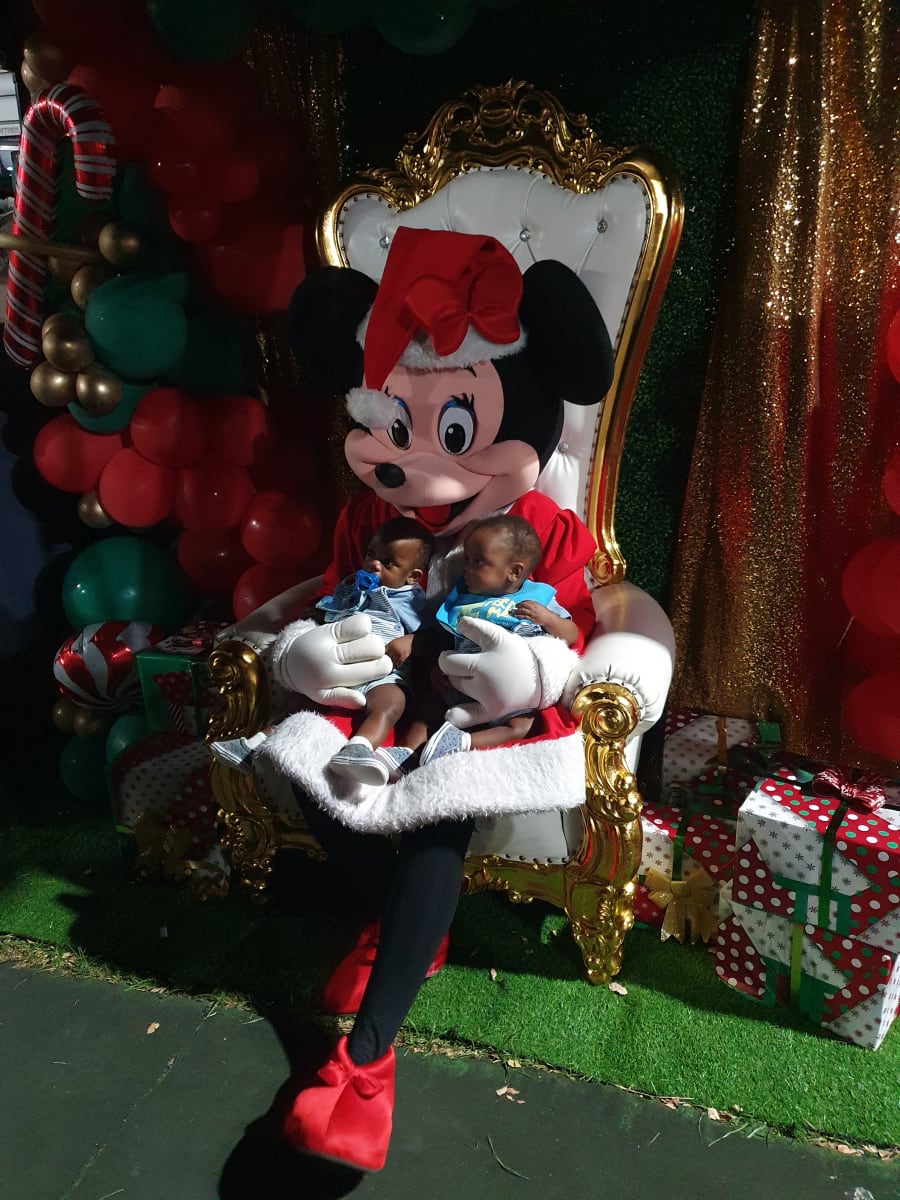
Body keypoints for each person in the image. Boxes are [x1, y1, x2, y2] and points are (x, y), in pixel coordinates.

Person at [251, 227, 617, 1173]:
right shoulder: (370, 516)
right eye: (393, 424)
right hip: (380, 690)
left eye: (451, 431)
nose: (412, 465)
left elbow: (577, 625)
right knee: (313, 774)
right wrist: (307, 655)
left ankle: (367, 1062)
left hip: (473, 707)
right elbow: (333, 593)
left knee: (435, 815)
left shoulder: (544, 527)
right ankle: (402, 929)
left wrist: (532, 673)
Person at [209, 515, 434, 785]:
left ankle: (360, 748)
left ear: (412, 576)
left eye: (388, 562)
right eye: (371, 554)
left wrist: (411, 641)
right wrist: (319, 613)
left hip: (384, 672)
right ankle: (253, 745)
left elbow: (432, 635)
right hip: (340, 667)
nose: (374, 563)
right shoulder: (352, 588)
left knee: (392, 703)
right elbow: (331, 609)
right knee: (302, 703)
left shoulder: (412, 601)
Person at [407, 511, 580, 766]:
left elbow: (571, 634)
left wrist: (548, 619)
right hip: (463, 686)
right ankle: (405, 754)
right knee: (428, 710)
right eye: (467, 560)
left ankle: (461, 743)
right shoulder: (463, 599)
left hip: (514, 695)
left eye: (478, 562)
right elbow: (445, 639)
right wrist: (437, 669)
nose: (466, 569)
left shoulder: (538, 599)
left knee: (522, 726)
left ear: (514, 571)